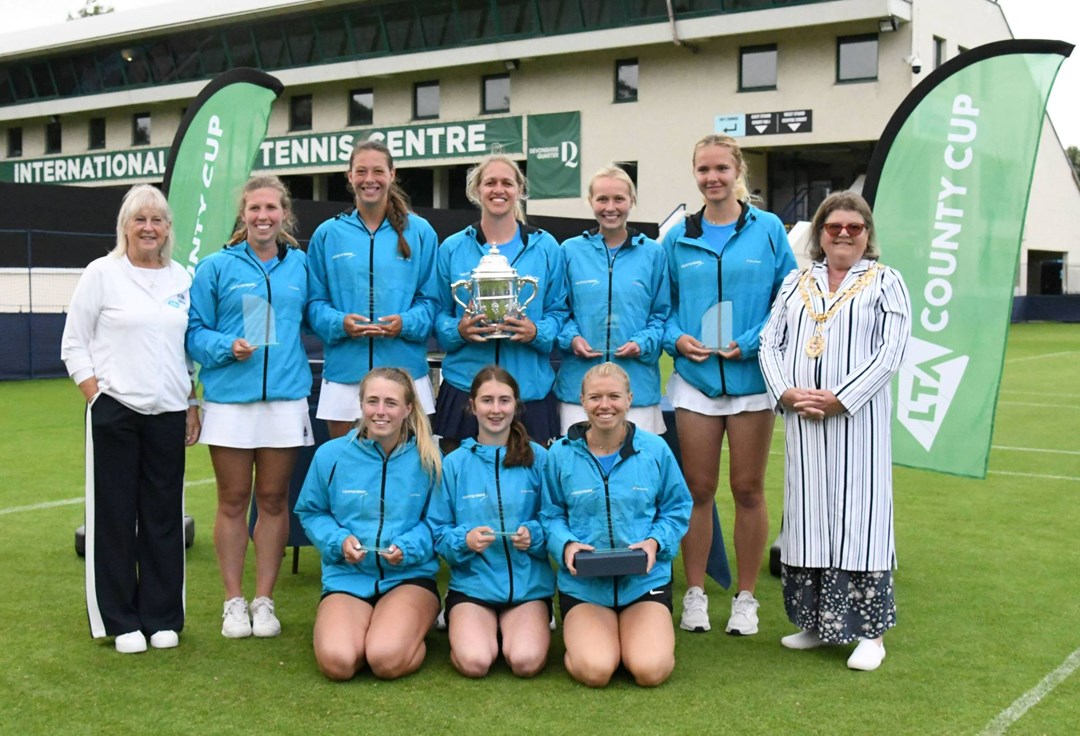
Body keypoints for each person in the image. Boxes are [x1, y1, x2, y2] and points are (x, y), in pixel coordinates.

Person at [758, 191, 911, 671]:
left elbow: (890, 351)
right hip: (803, 423)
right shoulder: (795, 282)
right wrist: (785, 392)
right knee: (808, 521)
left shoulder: (886, 282)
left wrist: (841, 397)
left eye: (854, 227)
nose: (843, 234)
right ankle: (815, 624)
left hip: (856, 423)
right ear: (820, 233)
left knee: (860, 522)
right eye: (833, 226)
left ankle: (871, 634)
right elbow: (770, 342)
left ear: (868, 234)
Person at [662, 134, 797, 635]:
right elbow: (663, 307)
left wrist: (750, 340)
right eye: (703, 170)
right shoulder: (677, 235)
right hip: (695, 381)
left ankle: (745, 599)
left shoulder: (767, 230)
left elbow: (787, 299)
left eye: (721, 168)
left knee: (747, 489)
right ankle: (694, 594)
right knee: (697, 490)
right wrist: (678, 339)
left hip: (751, 381)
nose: (712, 178)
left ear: (737, 170)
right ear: (694, 174)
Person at [60, 184, 200, 653]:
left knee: (163, 518)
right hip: (115, 413)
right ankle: (119, 620)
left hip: (168, 413)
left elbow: (187, 351)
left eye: (157, 220)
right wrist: (97, 396)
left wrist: (191, 402)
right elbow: (73, 344)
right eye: (140, 219)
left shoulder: (184, 278)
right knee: (114, 518)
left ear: (168, 230)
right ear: (125, 226)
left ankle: (162, 617)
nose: (149, 227)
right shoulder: (102, 273)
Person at [185, 175, 312, 639]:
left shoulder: (300, 264)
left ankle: (264, 600)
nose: (263, 216)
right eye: (254, 208)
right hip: (230, 403)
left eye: (272, 209)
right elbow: (193, 331)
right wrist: (225, 346)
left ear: (284, 214)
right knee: (234, 500)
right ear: (243, 214)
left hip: (284, 399)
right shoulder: (215, 266)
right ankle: (233, 602)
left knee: (274, 501)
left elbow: (314, 312)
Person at [541, 363, 691, 687]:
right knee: (595, 671)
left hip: (643, 582)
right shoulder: (560, 455)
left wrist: (655, 542)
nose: (604, 405)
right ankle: (598, 642)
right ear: (582, 400)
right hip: (584, 585)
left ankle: (635, 638)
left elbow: (677, 507)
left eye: (614, 396)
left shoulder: (655, 450)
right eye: (595, 397)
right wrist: (565, 544)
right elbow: (549, 514)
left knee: (650, 671)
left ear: (629, 399)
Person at [294, 367, 442, 681]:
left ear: (407, 409)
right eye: (372, 401)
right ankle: (374, 629)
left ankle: (403, 630)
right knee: (338, 664)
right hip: (347, 578)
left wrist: (409, 547)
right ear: (361, 405)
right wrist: (338, 541)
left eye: (390, 403)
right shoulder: (331, 455)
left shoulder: (430, 457)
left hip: (409, 577)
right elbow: (311, 512)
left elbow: (439, 522)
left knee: (386, 660)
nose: (380, 411)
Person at [434, 153, 569, 452]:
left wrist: (537, 332)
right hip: (465, 389)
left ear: (520, 190)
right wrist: (459, 330)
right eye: (490, 182)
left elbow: (560, 310)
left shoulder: (546, 246)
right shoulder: (453, 247)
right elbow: (438, 312)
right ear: (476, 190)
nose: (499, 189)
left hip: (529, 391)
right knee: (463, 490)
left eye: (507, 183)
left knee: (530, 491)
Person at [306, 138, 440, 439]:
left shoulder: (421, 232)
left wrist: (404, 324)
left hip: (405, 374)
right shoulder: (328, 234)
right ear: (349, 176)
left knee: (408, 476)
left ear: (392, 175)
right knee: (347, 476)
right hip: (344, 376)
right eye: (361, 171)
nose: (370, 179)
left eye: (378, 171)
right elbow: (314, 304)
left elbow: (432, 301)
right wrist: (340, 324)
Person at [428, 366, 554, 678]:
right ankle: (461, 615)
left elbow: (556, 518)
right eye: (487, 401)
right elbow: (438, 530)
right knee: (475, 663)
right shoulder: (454, 463)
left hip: (527, 588)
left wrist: (535, 535)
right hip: (472, 588)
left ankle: (521, 625)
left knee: (525, 662)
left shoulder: (540, 458)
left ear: (517, 405)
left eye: (504, 401)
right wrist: (464, 540)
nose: (496, 410)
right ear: (471, 406)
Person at [556, 166, 670, 435]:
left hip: (637, 391)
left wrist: (642, 343)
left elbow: (662, 315)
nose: (611, 207)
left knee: (638, 475)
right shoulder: (570, 251)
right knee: (578, 472)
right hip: (578, 392)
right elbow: (558, 311)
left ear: (632, 200)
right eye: (602, 199)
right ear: (591, 202)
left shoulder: (653, 254)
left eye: (619, 199)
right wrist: (572, 339)